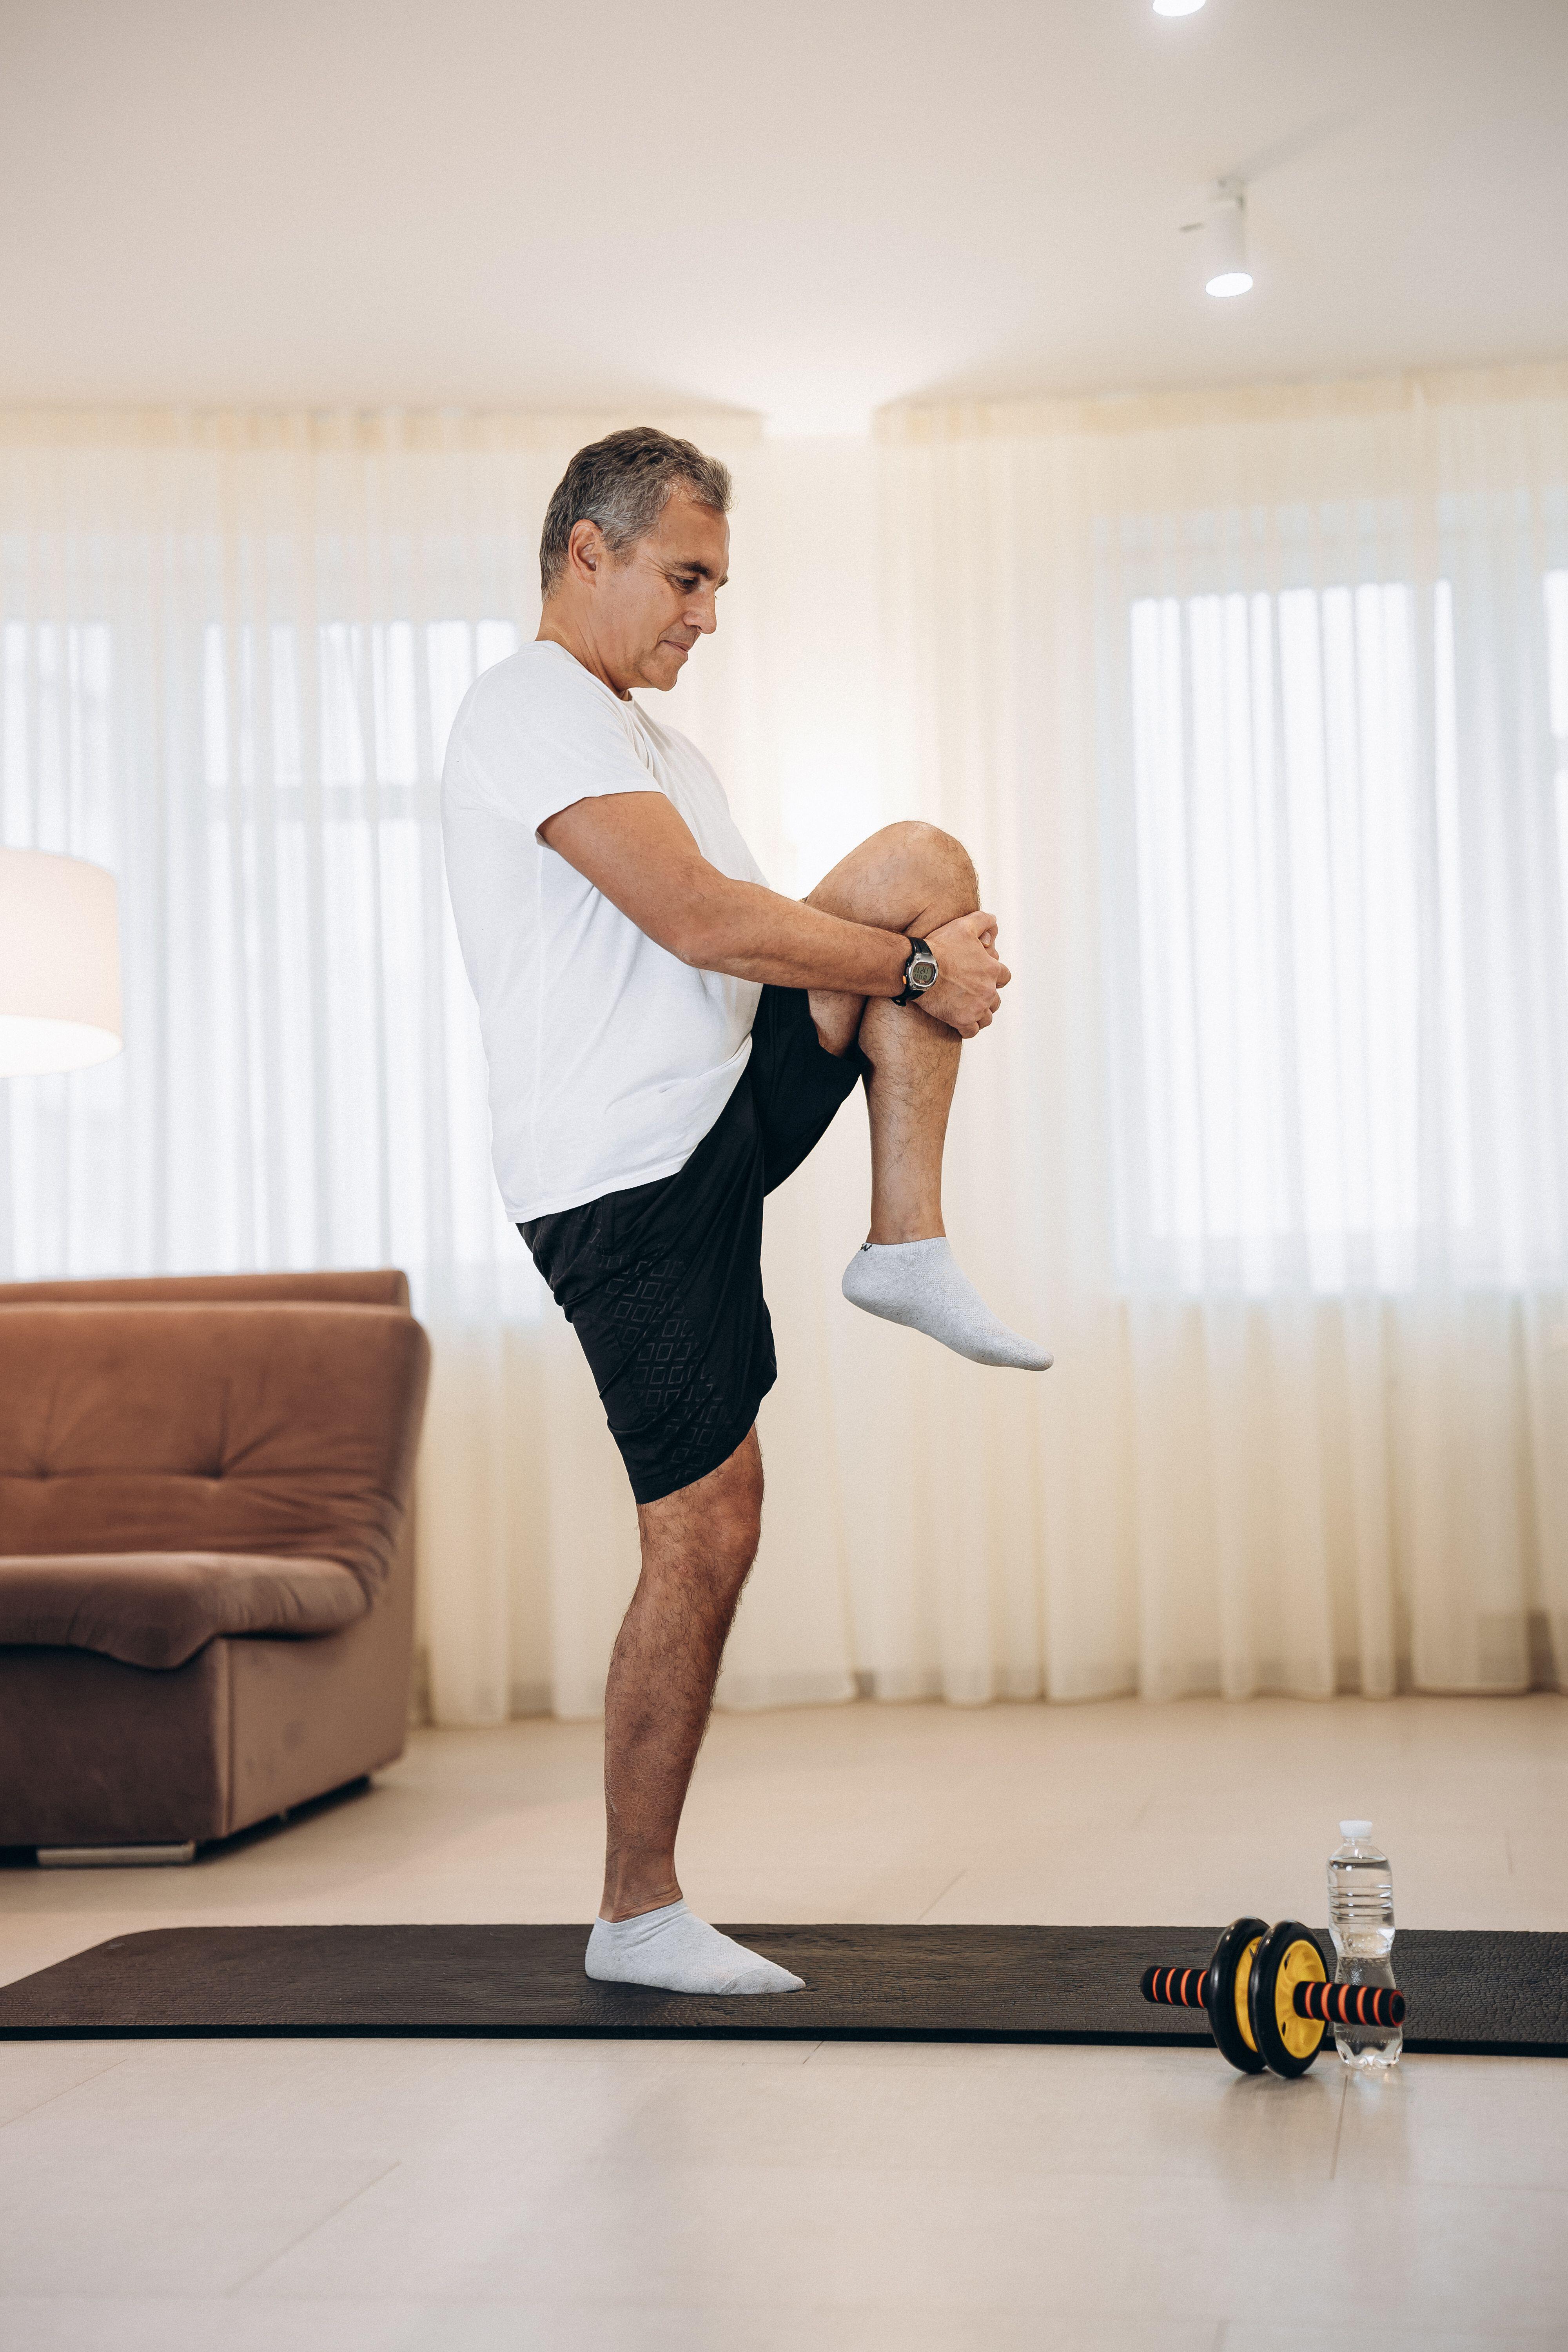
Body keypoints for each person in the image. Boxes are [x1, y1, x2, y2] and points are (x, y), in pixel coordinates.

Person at [441, 427, 1050, 1997]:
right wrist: (924, 978)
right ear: (589, 550)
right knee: (705, 1522)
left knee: (921, 863)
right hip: (621, 1180)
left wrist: (914, 948)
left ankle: (904, 1245)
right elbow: (705, 918)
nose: (705, 615)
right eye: (685, 576)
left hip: (718, 1104)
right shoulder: (526, 710)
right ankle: (635, 1912)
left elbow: (770, 942)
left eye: (716, 583)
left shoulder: (662, 749)